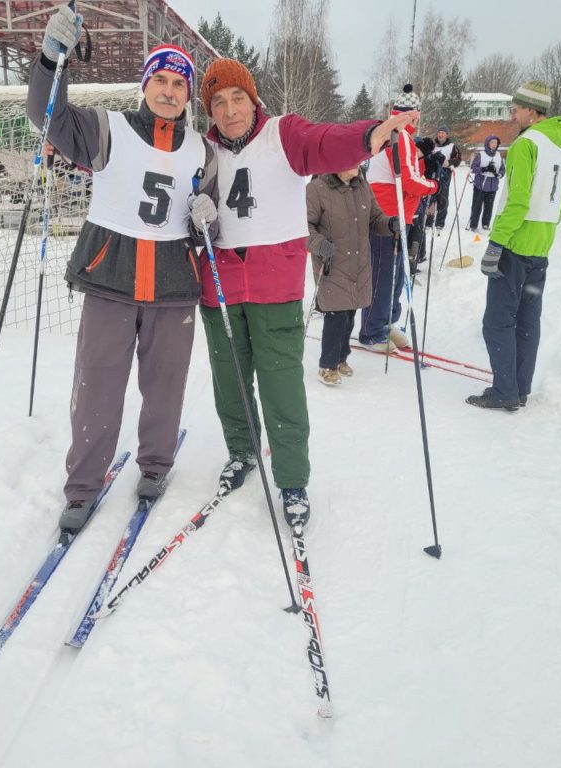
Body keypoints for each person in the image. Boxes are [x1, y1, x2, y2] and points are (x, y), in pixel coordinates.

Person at [193, 58, 419, 527]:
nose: (229, 109)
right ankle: (242, 450)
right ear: (209, 109)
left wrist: (368, 135)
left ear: (252, 100)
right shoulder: (200, 151)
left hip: (274, 284)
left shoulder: (283, 134)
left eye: (237, 98)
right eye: (218, 101)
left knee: (282, 387)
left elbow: (324, 143)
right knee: (230, 380)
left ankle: (292, 479)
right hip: (219, 285)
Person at [27, 5, 218, 533]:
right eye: (160, 79)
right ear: (144, 84)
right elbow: (48, 116)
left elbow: (213, 229)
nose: (169, 91)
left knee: (166, 386)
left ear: (187, 95)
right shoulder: (106, 128)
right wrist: (50, 60)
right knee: (99, 386)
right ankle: (83, 486)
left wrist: (209, 217)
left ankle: (155, 465)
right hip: (109, 280)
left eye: (179, 84)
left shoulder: (204, 150)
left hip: (173, 288)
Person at [468, 80, 561, 412]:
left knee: (498, 321)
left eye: (516, 108)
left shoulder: (527, 144)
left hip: (514, 245)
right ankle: (519, 388)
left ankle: (504, 391)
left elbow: (518, 200)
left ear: (531, 110)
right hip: (540, 247)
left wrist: (496, 243)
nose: (512, 114)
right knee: (528, 321)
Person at [361, 84, 438, 353]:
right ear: (412, 113)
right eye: (416, 114)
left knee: (396, 273)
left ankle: (387, 321)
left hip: (398, 214)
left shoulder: (400, 134)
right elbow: (409, 179)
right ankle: (372, 330)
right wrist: (432, 186)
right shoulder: (399, 135)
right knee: (384, 274)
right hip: (387, 215)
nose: (417, 119)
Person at [306, 166, 397, 385]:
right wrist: (319, 244)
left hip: (358, 262)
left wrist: (391, 224)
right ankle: (327, 365)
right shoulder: (317, 188)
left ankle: (341, 358)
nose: (357, 166)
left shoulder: (362, 186)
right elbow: (303, 226)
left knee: (349, 314)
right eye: (351, 162)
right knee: (336, 315)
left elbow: (375, 219)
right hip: (332, 261)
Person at [468, 135, 505, 232]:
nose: (494, 145)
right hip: (480, 185)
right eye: (492, 142)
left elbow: (502, 169)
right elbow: (473, 168)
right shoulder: (481, 154)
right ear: (487, 143)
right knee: (477, 206)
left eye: (495, 143)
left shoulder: (498, 155)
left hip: (492, 185)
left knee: (489, 207)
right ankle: (473, 224)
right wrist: (484, 169)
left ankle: (485, 223)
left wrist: (498, 174)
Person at [431, 125, 462, 231]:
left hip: (445, 174)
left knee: (442, 198)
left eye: (443, 133)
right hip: (432, 173)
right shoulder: (433, 145)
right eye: (439, 132)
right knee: (430, 197)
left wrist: (448, 163)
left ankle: (440, 222)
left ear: (447, 135)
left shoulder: (452, 146)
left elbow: (458, 160)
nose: (440, 135)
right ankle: (429, 220)